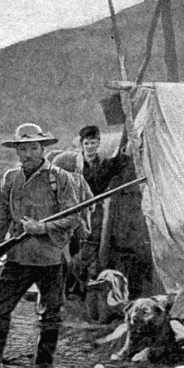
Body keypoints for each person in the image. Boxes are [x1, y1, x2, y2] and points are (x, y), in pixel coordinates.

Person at [0, 123, 81, 368]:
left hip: (51, 257)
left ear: (43, 149)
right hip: (18, 256)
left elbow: (74, 218)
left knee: (50, 313)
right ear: (17, 151)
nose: (27, 154)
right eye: (22, 149)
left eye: (33, 148)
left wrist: (43, 227)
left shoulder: (59, 178)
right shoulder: (11, 178)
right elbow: (2, 217)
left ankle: (44, 365)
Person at [52, 124, 130, 298]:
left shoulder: (103, 164)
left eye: (94, 143)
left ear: (99, 143)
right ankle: (67, 288)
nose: (90, 147)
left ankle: (82, 287)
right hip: (76, 212)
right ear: (82, 144)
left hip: (95, 212)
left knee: (89, 250)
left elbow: (112, 169)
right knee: (71, 249)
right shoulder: (74, 164)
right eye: (87, 144)